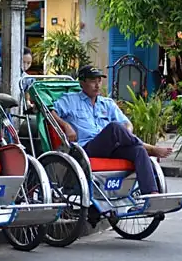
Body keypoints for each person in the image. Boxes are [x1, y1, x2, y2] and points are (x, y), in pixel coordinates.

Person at [50, 65, 172, 197]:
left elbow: (127, 123)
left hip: (112, 147)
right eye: (92, 81)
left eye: (99, 81)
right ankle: (150, 148)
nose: (97, 85)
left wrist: (126, 133)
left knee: (138, 150)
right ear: (82, 82)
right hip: (87, 147)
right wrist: (66, 125)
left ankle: (151, 194)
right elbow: (51, 113)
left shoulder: (107, 103)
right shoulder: (70, 100)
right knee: (114, 127)